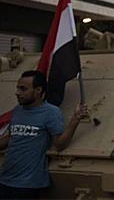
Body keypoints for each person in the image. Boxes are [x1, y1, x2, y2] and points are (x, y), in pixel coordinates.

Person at [0, 71, 88, 199]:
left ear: (38, 90)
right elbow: (12, 138)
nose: (17, 92)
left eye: (23, 89)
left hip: (28, 184)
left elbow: (59, 143)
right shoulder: (18, 110)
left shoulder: (51, 113)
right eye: (18, 88)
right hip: (5, 179)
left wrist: (75, 119)